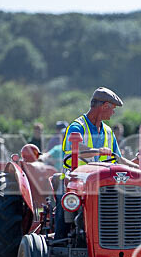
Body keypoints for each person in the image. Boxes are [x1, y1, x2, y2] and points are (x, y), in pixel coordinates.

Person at [57, 87, 133, 239]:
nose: (113, 112)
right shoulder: (77, 126)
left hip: (104, 183)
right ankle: (59, 244)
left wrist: (138, 168)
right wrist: (97, 151)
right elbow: (74, 148)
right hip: (76, 182)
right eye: (113, 109)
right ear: (104, 106)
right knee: (65, 203)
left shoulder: (108, 131)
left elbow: (118, 158)